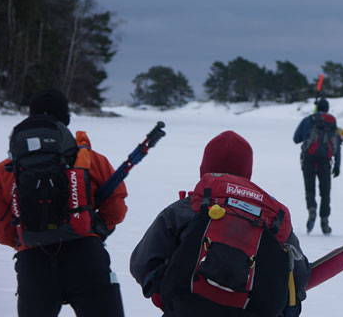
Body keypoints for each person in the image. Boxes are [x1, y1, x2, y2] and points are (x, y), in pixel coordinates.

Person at [130, 130, 311, 317]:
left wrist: (166, 294)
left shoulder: (186, 208)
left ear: (204, 169)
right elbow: (298, 279)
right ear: (247, 172)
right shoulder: (273, 216)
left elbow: (142, 262)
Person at [0, 89, 128, 317]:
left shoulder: (4, 170)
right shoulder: (90, 160)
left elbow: (3, 231)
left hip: (33, 262)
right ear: (66, 119)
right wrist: (96, 227)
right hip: (87, 258)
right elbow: (116, 208)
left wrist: (30, 236)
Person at [293, 97, 342, 235]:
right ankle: (325, 222)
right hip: (325, 162)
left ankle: (312, 210)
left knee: (310, 190)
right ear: (327, 109)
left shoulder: (309, 119)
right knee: (325, 193)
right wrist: (337, 164)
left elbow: (296, 139)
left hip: (308, 159)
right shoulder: (332, 122)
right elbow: (337, 143)